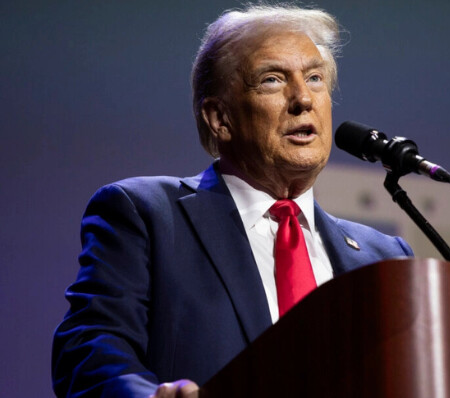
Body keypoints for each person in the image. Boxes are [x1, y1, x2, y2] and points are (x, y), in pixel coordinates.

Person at [51, 5, 413, 398]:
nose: (303, 99)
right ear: (219, 118)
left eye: (315, 78)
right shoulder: (146, 214)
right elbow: (90, 350)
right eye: (273, 80)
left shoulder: (383, 257)